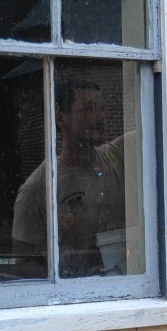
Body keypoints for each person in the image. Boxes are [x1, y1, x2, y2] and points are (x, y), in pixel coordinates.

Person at [12, 80, 128, 278]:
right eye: (89, 108)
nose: (100, 117)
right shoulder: (38, 188)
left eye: (102, 108)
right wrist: (73, 276)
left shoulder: (116, 156)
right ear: (61, 118)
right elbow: (22, 264)